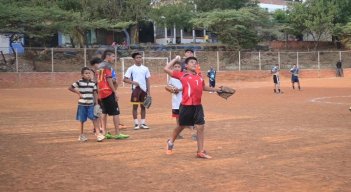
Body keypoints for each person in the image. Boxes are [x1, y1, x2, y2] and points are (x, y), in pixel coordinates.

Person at [163, 55, 222, 159]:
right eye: (191, 62)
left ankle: (200, 151)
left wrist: (217, 89)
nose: (194, 64)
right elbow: (166, 69)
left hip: (198, 106)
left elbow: (203, 87)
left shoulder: (199, 77)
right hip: (186, 106)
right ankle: (170, 142)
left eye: (195, 63)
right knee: (181, 126)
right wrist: (175, 60)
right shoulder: (182, 75)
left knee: (200, 127)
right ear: (186, 65)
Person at [97, 50, 129, 139]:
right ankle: (117, 133)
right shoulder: (107, 66)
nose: (114, 58)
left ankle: (104, 132)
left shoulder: (99, 66)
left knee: (104, 112)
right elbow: (109, 79)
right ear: (108, 56)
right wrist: (115, 91)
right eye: (113, 56)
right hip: (108, 91)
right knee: (115, 112)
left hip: (101, 92)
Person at [68, 67, 105, 142]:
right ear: (82, 74)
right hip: (82, 105)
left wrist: (97, 104)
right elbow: (70, 88)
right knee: (82, 120)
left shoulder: (93, 83)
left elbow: (95, 93)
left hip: (91, 104)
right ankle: (81, 135)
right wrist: (78, 93)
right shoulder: (79, 82)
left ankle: (98, 134)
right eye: (86, 73)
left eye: (89, 73)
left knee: (94, 118)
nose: (88, 75)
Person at [123, 52, 151, 130]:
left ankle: (143, 123)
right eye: (137, 58)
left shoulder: (145, 68)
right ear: (134, 59)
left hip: (144, 90)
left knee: (143, 106)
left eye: (140, 57)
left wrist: (149, 91)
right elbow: (124, 79)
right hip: (135, 90)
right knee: (135, 106)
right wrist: (133, 82)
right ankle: (136, 124)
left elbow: (147, 80)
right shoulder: (131, 68)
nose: (139, 59)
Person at [165, 62, 184, 139]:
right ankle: (178, 133)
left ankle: (194, 131)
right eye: (175, 67)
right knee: (178, 117)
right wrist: (171, 89)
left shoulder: (184, 76)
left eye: (178, 66)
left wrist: (178, 89)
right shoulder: (172, 78)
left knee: (188, 117)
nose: (176, 68)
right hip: (176, 101)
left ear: (181, 68)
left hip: (184, 100)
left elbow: (187, 86)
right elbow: (168, 86)